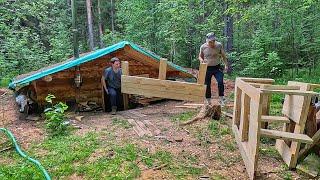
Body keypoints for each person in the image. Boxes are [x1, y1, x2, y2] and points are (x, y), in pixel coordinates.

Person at [198, 32, 229, 106]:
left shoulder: (219, 45)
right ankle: (208, 100)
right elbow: (200, 56)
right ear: (207, 40)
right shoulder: (203, 47)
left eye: (214, 41)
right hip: (207, 68)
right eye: (210, 42)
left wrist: (226, 65)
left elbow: (223, 56)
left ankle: (221, 99)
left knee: (220, 82)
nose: (212, 43)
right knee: (207, 84)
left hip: (217, 67)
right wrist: (201, 60)